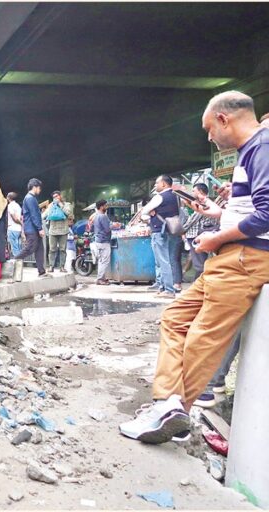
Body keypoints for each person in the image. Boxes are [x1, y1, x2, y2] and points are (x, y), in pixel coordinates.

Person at [120, 90, 269, 444]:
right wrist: (218, 215)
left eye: (208, 129)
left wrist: (216, 239)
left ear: (223, 119)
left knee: (204, 337)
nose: (209, 138)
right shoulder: (252, 150)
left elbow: (267, 214)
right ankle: (167, 403)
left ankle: (175, 410)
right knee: (174, 318)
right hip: (232, 258)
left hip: (244, 259)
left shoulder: (261, 147)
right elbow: (253, 210)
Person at [138, 175, 179, 299]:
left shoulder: (159, 197)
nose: (155, 185)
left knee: (162, 261)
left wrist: (152, 212)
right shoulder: (175, 197)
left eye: (157, 183)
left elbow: (144, 211)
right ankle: (163, 288)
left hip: (159, 231)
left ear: (164, 184)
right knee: (170, 260)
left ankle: (168, 290)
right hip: (172, 230)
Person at [14, 178, 48, 280]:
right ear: (34, 187)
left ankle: (41, 271)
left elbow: (23, 215)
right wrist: (40, 228)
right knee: (29, 249)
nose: (40, 190)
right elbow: (34, 215)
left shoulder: (27, 198)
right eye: (39, 188)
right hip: (32, 229)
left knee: (39, 250)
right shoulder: (30, 198)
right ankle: (14, 261)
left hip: (31, 228)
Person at [182, 183, 218, 280]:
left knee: (199, 263)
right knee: (201, 261)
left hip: (197, 235)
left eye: (194, 191)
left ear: (201, 192)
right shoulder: (209, 203)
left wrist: (182, 230)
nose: (192, 192)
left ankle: (200, 284)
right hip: (204, 233)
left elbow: (193, 219)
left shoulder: (203, 203)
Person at [42, 190, 73, 272]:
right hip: (53, 230)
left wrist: (60, 204)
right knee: (52, 249)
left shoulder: (67, 205)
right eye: (54, 197)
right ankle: (51, 266)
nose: (55, 198)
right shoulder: (51, 205)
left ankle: (62, 266)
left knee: (63, 249)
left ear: (60, 196)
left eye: (57, 196)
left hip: (63, 230)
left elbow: (69, 214)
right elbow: (44, 215)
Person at [93, 199, 112, 285]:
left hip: (98, 240)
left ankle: (102, 278)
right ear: (101, 207)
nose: (106, 207)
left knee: (101, 260)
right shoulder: (103, 216)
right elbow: (107, 229)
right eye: (105, 205)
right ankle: (100, 279)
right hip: (104, 241)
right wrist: (114, 225)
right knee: (105, 261)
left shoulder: (96, 216)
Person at [6, 192, 23, 258]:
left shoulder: (10, 206)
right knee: (18, 246)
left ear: (8, 198)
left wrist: (20, 223)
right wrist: (21, 224)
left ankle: (17, 261)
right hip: (18, 229)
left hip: (12, 228)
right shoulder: (17, 205)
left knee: (14, 247)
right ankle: (20, 261)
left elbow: (14, 218)